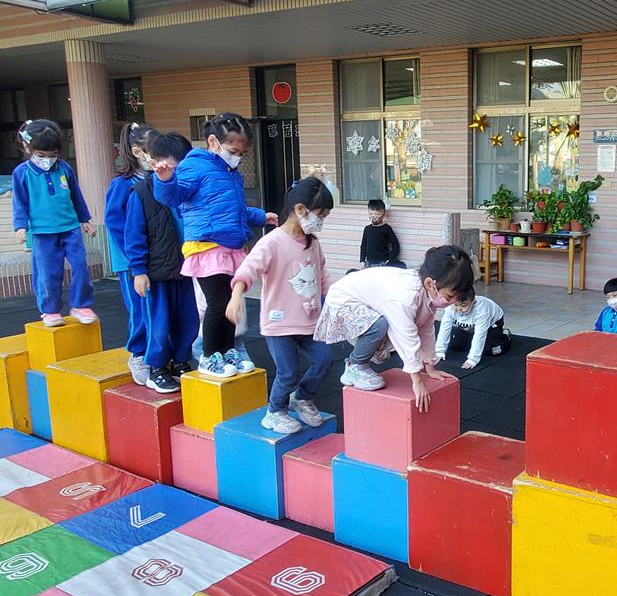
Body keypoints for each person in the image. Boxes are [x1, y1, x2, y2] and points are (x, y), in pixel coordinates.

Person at [152, 113, 277, 378]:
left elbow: (237, 210)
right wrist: (165, 180)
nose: (237, 157)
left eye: (241, 154)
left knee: (232, 303)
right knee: (217, 304)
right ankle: (209, 356)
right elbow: (174, 197)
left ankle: (228, 350)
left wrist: (260, 216)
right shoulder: (194, 166)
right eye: (233, 151)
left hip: (230, 248)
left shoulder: (232, 174)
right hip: (206, 247)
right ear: (213, 142)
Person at [227, 177, 334, 434]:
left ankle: (303, 397)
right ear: (300, 210)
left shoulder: (312, 243)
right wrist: (236, 295)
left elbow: (322, 276)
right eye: (320, 215)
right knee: (287, 372)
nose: (321, 221)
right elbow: (249, 268)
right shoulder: (272, 242)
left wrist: (339, 299)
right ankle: (275, 412)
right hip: (280, 323)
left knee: (324, 359)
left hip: (309, 320)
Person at [315, 245, 474, 411]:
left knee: (386, 332)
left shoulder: (425, 294)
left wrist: (430, 366)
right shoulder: (405, 297)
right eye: (450, 296)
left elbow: (426, 330)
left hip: (367, 302)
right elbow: (406, 336)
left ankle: (366, 356)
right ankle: (355, 366)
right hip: (342, 301)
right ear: (430, 283)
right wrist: (417, 381)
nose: (453, 301)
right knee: (380, 325)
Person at [123, 133, 200, 393]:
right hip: (157, 273)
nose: (177, 174)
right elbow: (134, 235)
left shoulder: (187, 188)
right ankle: (156, 367)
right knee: (158, 322)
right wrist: (139, 271)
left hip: (185, 269)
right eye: (174, 168)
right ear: (155, 163)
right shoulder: (141, 193)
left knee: (188, 319)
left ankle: (180, 361)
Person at [11, 119, 97, 327]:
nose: (47, 160)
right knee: (48, 272)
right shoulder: (22, 173)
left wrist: (85, 219)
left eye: (53, 155)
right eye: (41, 155)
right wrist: (20, 226)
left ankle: (80, 304)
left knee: (80, 265)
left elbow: (76, 195)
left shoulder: (64, 168)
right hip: (42, 232)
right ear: (27, 147)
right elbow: (19, 202)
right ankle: (50, 310)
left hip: (70, 227)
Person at [106, 121, 156, 385]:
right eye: (154, 151)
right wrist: (133, 256)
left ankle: (156, 354)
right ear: (138, 152)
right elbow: (114, 222)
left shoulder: (155, 179)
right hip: (130, 261)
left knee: (155, 308)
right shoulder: (122, 184)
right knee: (138, 308)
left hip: (154, 257)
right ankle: (138, 354)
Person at [435, 287, 511, 369]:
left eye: (463, 305)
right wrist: (439, 351)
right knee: (456, 346)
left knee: (491, 350)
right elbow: (445, 328)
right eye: (456, 305)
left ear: (473, 303)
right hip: (468, 325)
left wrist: (473, 360)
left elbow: (480, 335)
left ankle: (505, 335)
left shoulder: (482, 311)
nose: (459, 309)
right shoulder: (450, 307)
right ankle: (470, 333)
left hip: (492, 324)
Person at [360, 198, 403, 268]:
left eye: (377, 214)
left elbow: (395, 244)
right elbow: (363, 245)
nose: (373, 216)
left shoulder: (386, 228)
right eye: (371, 214)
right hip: (368, 263)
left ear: (384, 214)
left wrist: (390, 259)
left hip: (383, 262)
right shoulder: (367, 229)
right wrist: (362, 260)